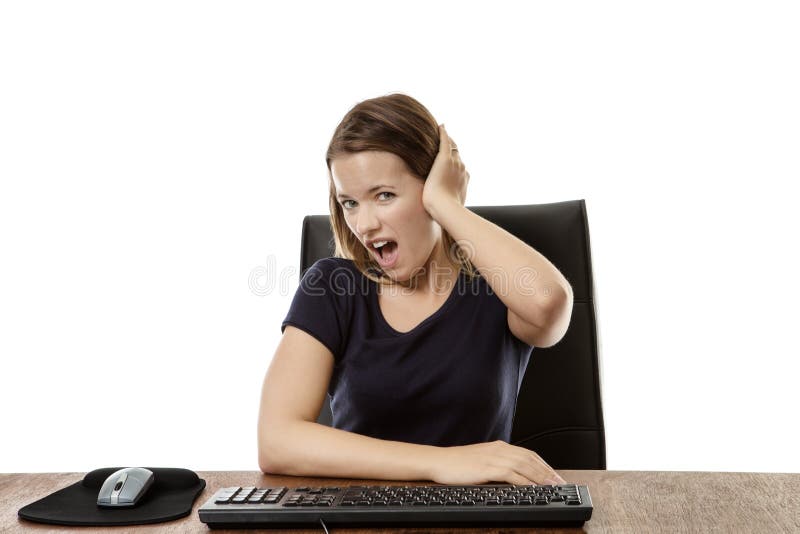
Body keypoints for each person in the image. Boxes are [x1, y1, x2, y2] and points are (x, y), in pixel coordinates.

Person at [257, 93, 574, 486]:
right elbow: (277, 441)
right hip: (358, 517)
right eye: (350, 203)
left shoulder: (494, 282)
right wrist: (440, 464)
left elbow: (548, 306)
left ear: (431, 190)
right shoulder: (332, 286)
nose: (365, 224)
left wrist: (448, 204)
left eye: (384, 195)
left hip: (480, 520)